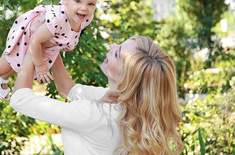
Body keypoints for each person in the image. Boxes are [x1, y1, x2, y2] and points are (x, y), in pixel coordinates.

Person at [10, 35, 184, 154]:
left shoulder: (93, 114)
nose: (111, 46)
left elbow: (19, 99)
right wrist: (51, 45)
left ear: (125, 78)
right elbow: (68, 89)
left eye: (117, 53)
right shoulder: (124, 105)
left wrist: (33, 42)